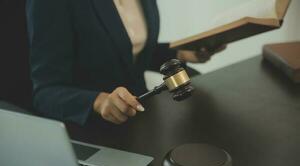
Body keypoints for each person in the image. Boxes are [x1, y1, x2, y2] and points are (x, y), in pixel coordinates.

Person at [26, 0, 224, 126]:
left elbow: (128, 50)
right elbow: (45, 92)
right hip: (90, 132)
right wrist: (99, 101)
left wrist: (181, 52)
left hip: (141, 116)